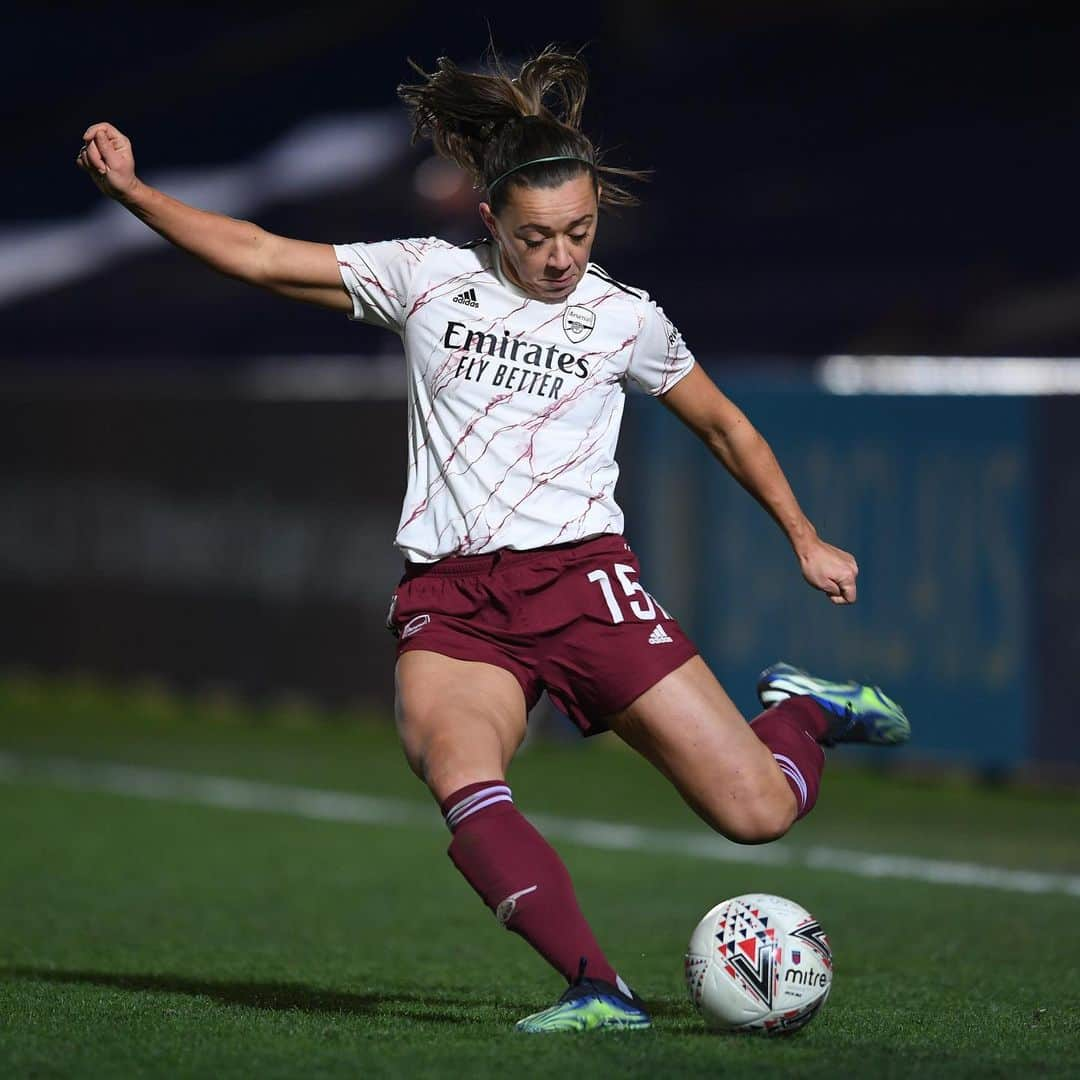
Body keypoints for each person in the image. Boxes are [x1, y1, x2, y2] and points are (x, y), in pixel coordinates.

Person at [76, 45, 910, 1034]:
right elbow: (258, 253)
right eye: (538, 235)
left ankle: (804, 713)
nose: (562, 255)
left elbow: (725, 424)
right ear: (488, 221)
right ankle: (600, 990)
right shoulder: (424, 279)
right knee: (457, 768)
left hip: (585, 582)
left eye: (581, 230)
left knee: (757, 815)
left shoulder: (622, 318)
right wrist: (133, 192)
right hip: (456, 601)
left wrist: (804, 538)